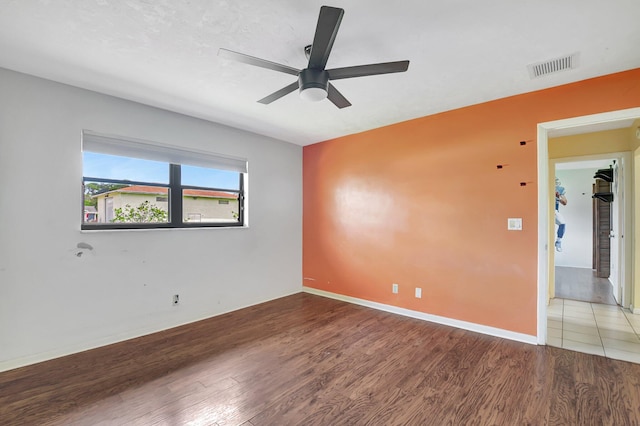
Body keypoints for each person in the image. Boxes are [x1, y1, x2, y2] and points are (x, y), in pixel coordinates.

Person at [555, 177, 567, 252]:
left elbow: (565, 202)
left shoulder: (559, 189)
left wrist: (558, 197)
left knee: (562, 223)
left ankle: (558, 241)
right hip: (541, 208)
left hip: (554, 210)